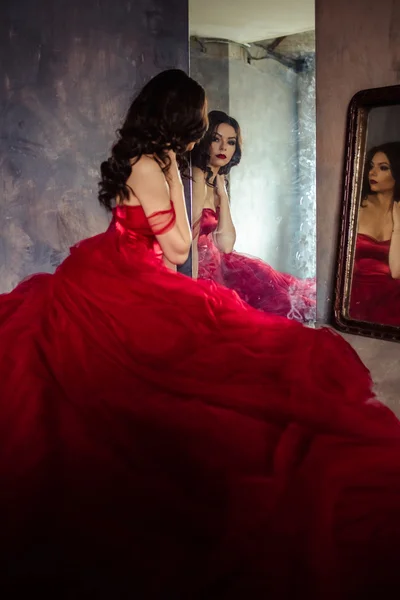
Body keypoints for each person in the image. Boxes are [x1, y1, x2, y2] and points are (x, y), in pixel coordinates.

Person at [0, 69, 400, 599]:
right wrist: (172, 177)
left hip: (128, 271)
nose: (207, 125)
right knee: (161, 380)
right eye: (202, 112)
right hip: (126, 276)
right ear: (179, 115)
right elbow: (179, 249)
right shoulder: (150, 164)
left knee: (197, 366)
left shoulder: (155, 160)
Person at [190, 110, 316, 323]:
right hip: (198, 271)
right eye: (216, 139)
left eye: (230, 142)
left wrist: (223, 194)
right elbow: (190, 236)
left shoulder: (217, 181)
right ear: (204, 141)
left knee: (289, 300)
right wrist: (191, 283)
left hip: (218, 264)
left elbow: (226, 245)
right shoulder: (196, 175)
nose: (223, 148)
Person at [351, 142, 400, 324]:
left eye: (383, 168)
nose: (372, 173)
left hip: (391, 298)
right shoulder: (357, 206)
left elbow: (397, 272)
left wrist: (398, 228)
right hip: (355, 292)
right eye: (371, 166)